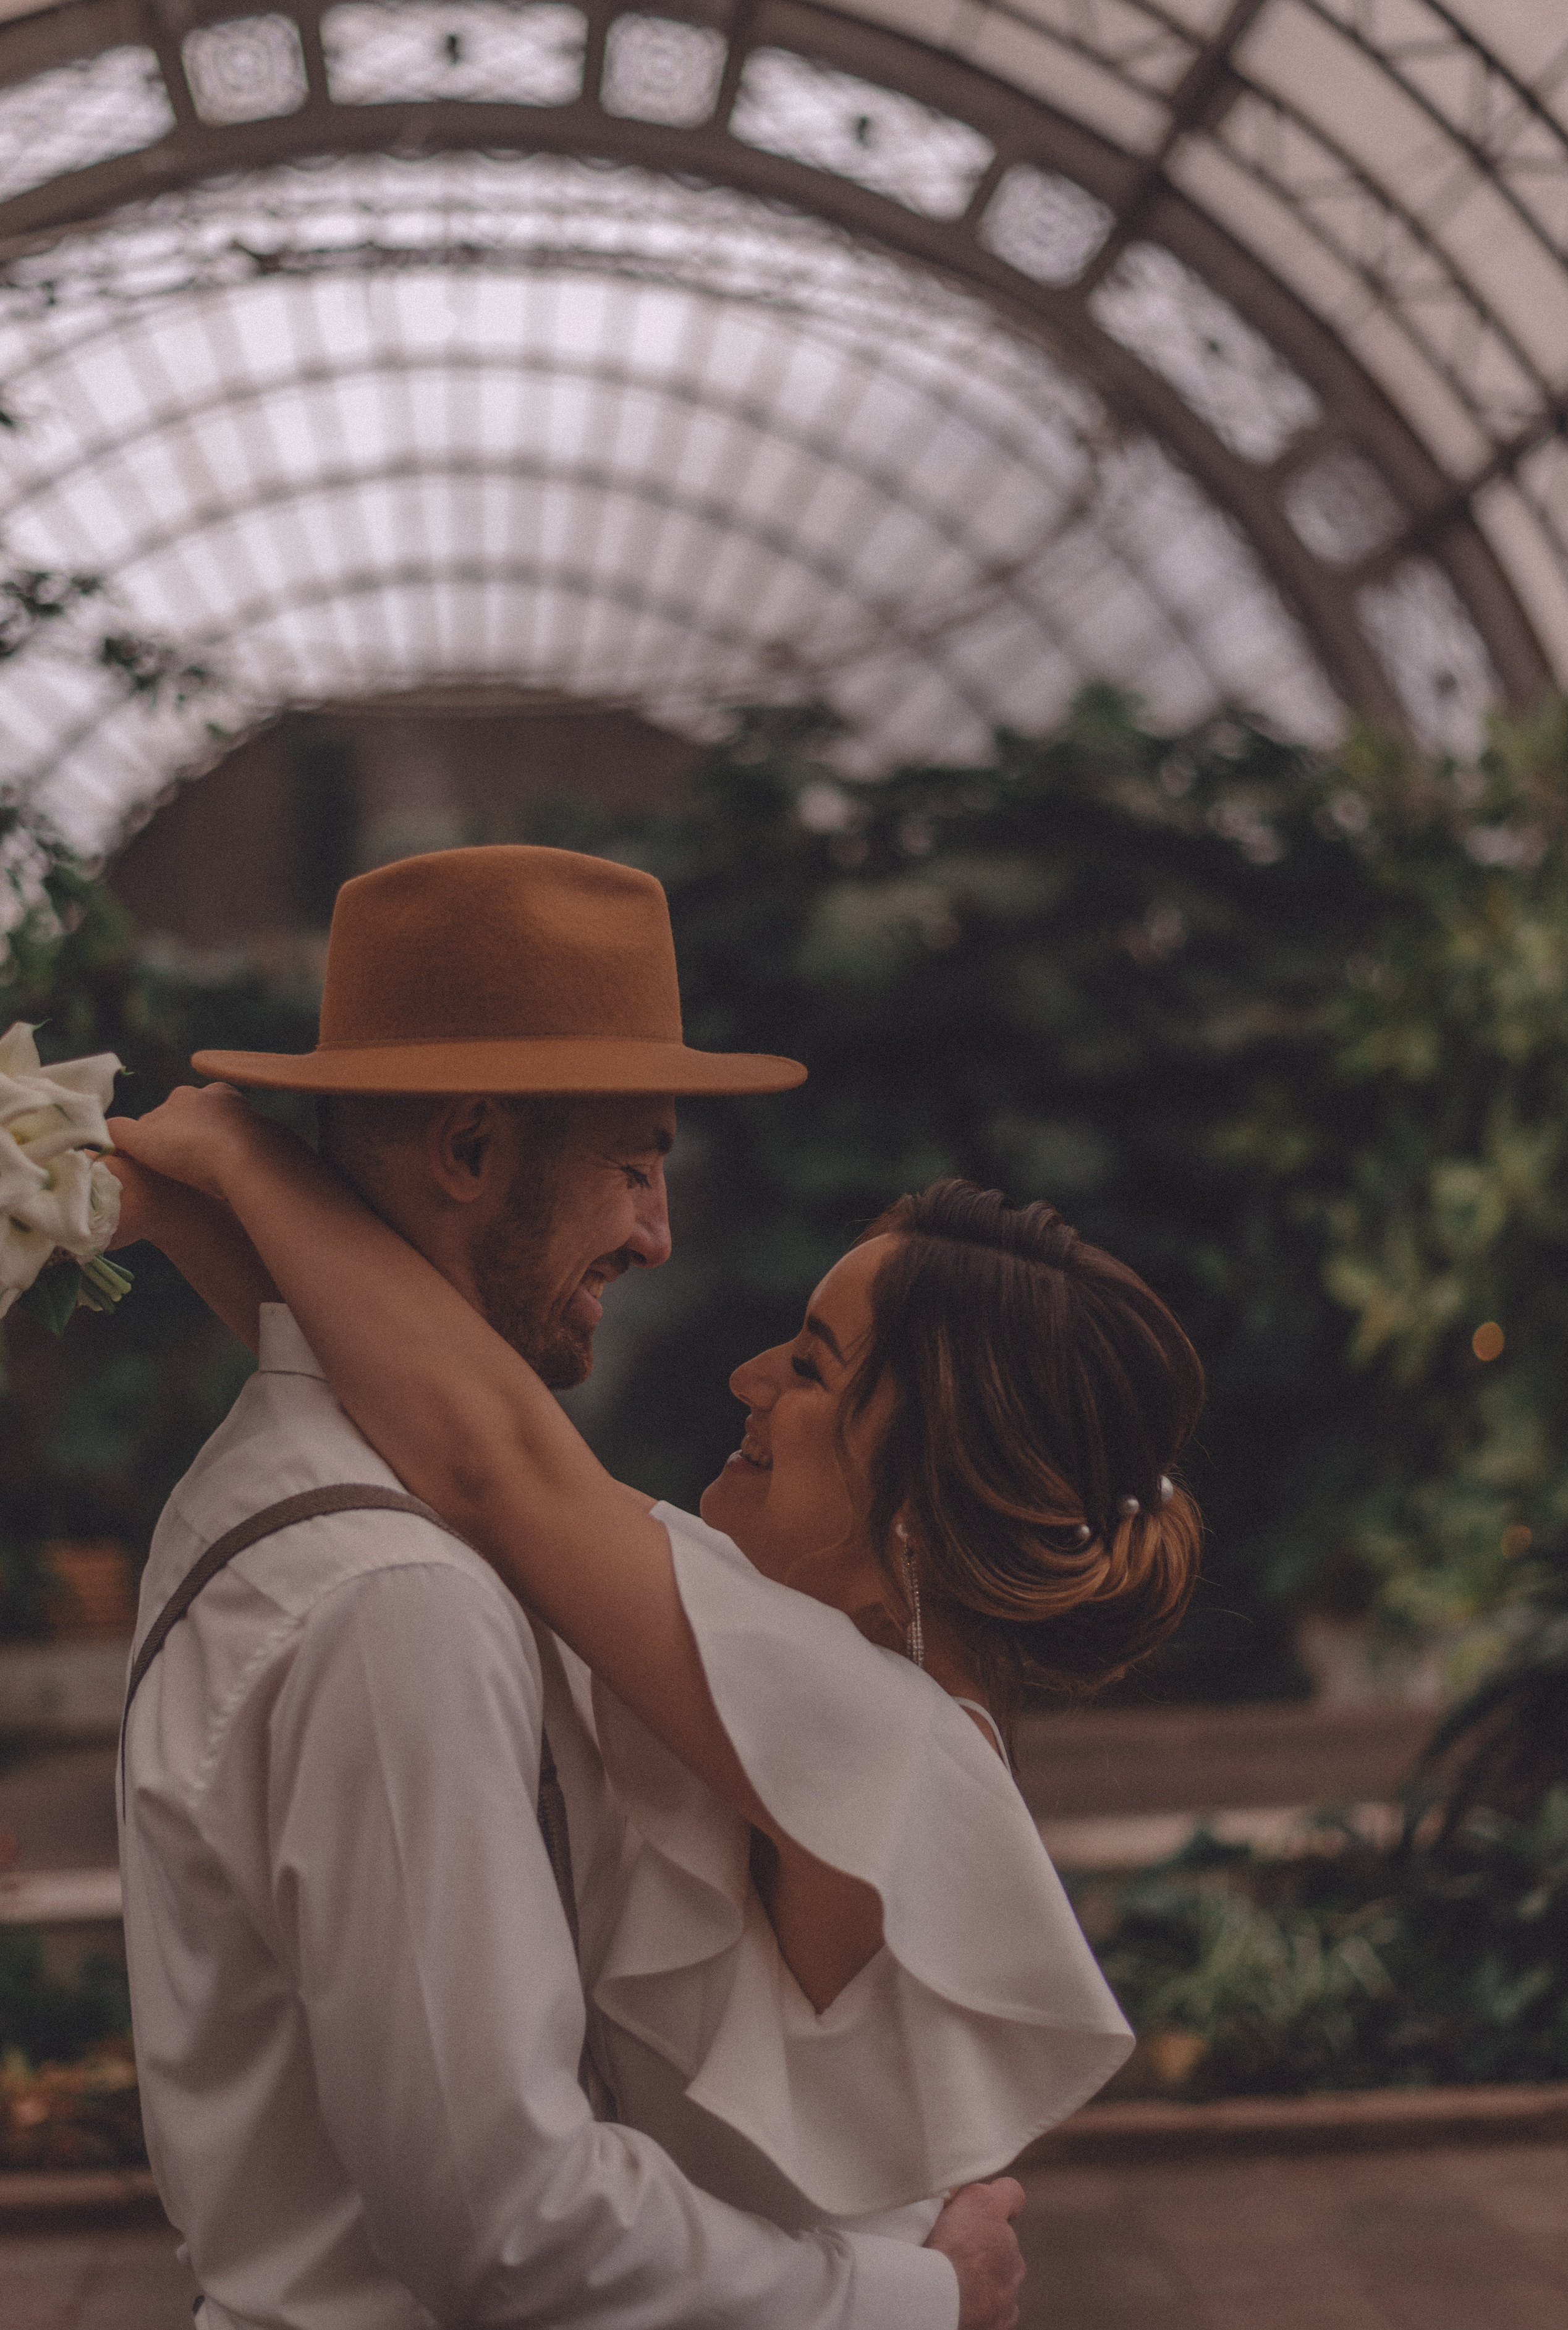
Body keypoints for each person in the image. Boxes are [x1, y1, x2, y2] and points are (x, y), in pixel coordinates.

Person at [109, 844, 1026, 2330]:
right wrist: (912, 2301)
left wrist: (250, 1173)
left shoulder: (354, 1517)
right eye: (637, 1162)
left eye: (807, 1367)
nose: (661, 1237)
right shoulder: (403, 1598)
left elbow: (494, 1457)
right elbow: (510, 2224)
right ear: (468, 1151)